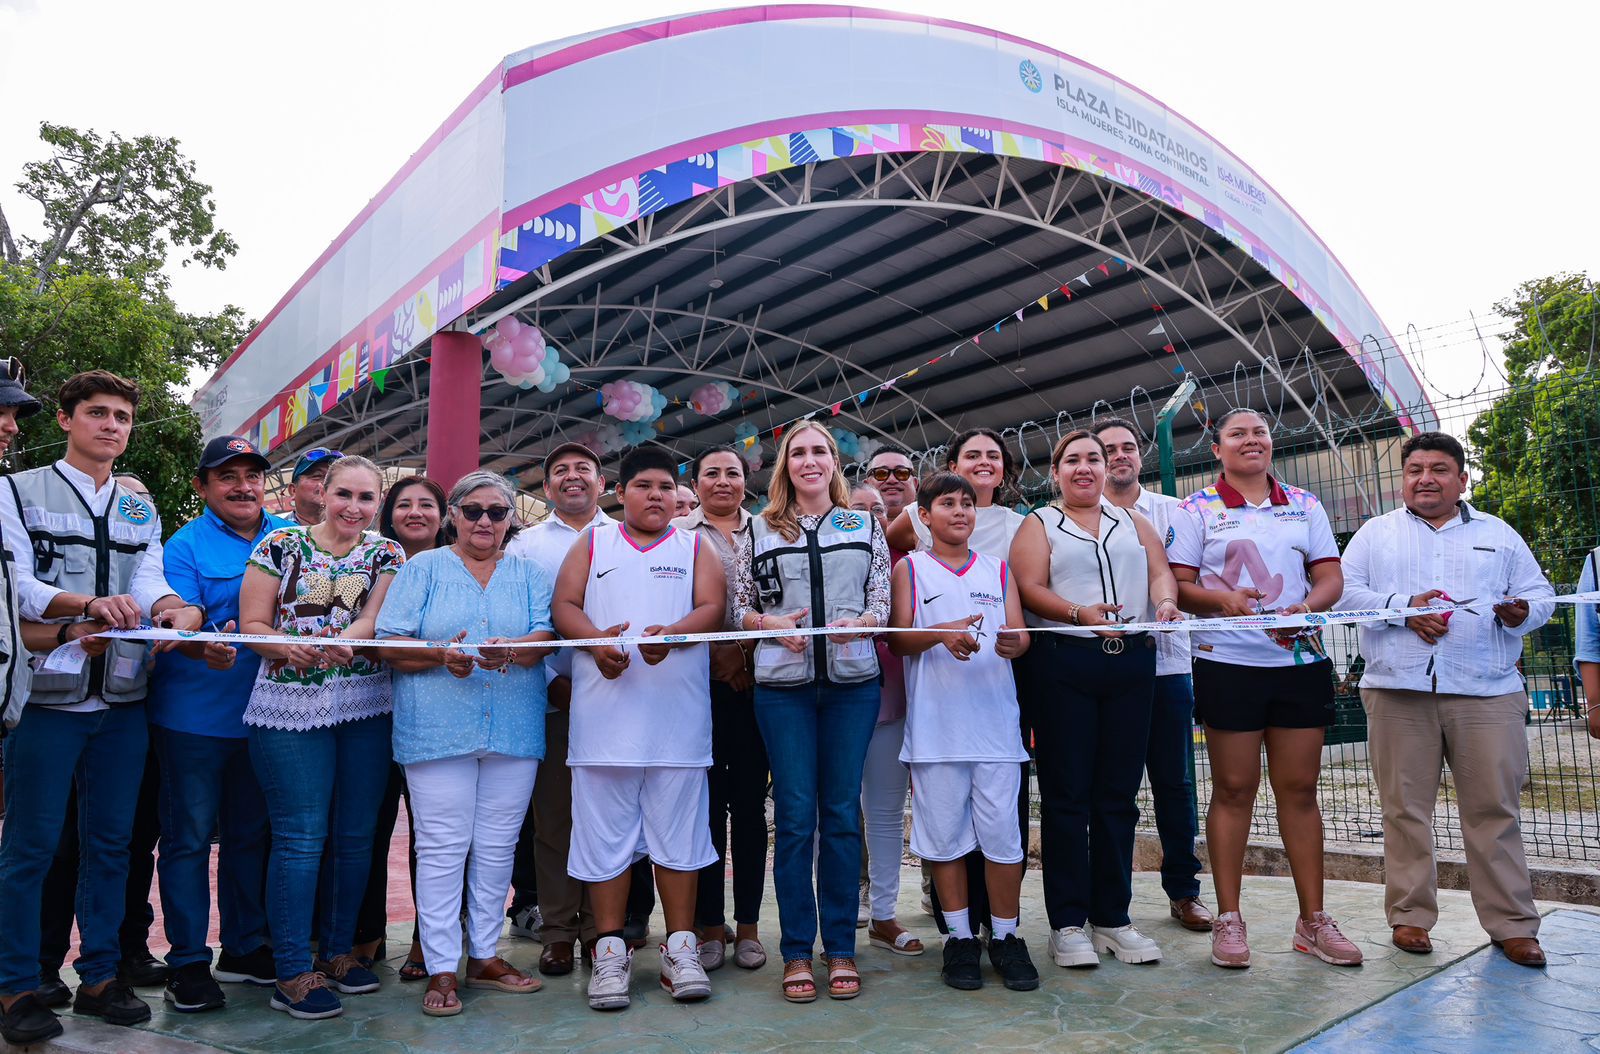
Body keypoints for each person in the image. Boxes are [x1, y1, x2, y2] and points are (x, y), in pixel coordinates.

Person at [0, 370, 204, 1044]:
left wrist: (172, 610)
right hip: (48, 696)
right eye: (97, 412)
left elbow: (149, 581)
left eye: (121, 416)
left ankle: (99, 976)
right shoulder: (15, 491)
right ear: (64, 420)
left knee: (112, 846)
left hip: (122, 698)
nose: (111, 425)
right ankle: (15, 986)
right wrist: (84, 605)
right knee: (29, 846)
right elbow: (18, 585)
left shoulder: (141, 508)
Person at [1345, 431, 1552, 968]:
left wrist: (1520, 613)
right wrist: (1401, 609)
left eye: (1439, 469)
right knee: (1404, 810)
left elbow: (1542, 596)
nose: (1425, 479)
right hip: (1398, 691)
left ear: (1462, 479)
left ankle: (1513, 925)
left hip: (1485, 692)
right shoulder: (1375, 535)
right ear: (1403, 479)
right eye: (1414, 469)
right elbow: (1343, 593)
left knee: (1493, 810)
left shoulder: (1499, 535)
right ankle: (1410, 918)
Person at [1166, 408, 1358, 969]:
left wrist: (1305, 608)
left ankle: (1313, 921)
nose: (1251, 441)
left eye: (1260, 433)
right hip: (1226, 661)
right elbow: (1179, 584)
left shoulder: (1305, 504)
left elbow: (1331, 578)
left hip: (1300, 661)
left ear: (1271, 443)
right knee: (1233, 788)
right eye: (1237, 434)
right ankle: (1229, 918)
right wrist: (1221, 601)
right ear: (1217, 448)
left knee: (1299, 790)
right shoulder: (1196, 508)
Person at [551, 446, 725, 1011]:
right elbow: (565, 606)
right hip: (603, 726)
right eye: (644, 485)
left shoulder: (696, 544)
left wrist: (669, 635)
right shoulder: (593, 542)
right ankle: (609, 952)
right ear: (619, 492)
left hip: (678, 725)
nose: (657, 495)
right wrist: (599, 642)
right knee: (606, 842)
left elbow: (712, 608)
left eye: (666, 487)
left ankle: (680, 950)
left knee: (680, 840)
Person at [378, 470, 556, 1015]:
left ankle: (483, 956)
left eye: (497, 512)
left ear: (511, 520)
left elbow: (547, 633)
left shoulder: (529, 573)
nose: (484, 521)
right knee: (441, 848)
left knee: (499, 847)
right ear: (453, 514)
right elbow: (388, 644)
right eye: (473, 510)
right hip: (436, 729)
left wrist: (517, 648)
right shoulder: (422, 569)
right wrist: (440, 655)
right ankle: (439, 966)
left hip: (513, 727)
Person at [1010, 429, 1181, 970]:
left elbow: (1160, 573)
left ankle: (1113, 917)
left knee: (1118, 795)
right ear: (1055, 471)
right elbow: (1029, 586)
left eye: (1094, 459)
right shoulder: (1039, 523)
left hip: (1131, 660)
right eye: (1072, 461)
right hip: (1065, 661)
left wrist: (1166, 603)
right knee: (1066, 795)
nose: (1084, 468)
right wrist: (1076, 613)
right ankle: (1067, 922)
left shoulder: (1133, 521)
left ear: (1108, 468)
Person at [239, 454, 401, 1019]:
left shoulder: (387, 552)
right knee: (301, 837)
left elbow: (375, 618)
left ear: (377, 503)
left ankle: (336, 952)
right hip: (289, 703)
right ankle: (291, 970)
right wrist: (287, 647)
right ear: (322, 493)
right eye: (344, 495)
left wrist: (345, 642)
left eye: (366, 498)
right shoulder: (277, 546)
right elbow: (252, 626)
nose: (354, 507)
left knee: (355, 836)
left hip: (364, 702)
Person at [732, 422, 889, 1003]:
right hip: (782, 689)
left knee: (843, 815)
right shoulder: (758, 528)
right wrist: (767, 626)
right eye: (798, 452)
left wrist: (865, 624)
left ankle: (841, 947)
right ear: (784, 466)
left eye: (819, 450)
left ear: (834, 462)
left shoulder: (864, 523)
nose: (810, 460)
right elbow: (739, 607)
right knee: (796, 818)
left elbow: (881, 598)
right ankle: (797, 950)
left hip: (853, 686)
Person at [148, 435, 287, 1013]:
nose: (243, 486)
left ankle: (245, 946)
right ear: (202, 487)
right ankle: (187, 961)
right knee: (186, 840)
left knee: (251, 838)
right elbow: (169, 622)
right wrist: (199, 647)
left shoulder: (289, 537)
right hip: (194, 721)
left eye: (252, 475)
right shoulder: (182, 547)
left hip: (269, 716)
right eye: (227, 476)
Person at [889, 472, 1037, 992]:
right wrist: (942, 635)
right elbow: (901, 640)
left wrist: (1015, 644)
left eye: (967, 504)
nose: (960, 512)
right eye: (947, 504)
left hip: (996, 729)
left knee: (1003, 840)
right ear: (923, 516)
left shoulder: (998, 570)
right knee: (946, 841)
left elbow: (1018, 635)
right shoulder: (910, 568)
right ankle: (958, 939)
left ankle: (1006, 936)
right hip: (937, 731)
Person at [1092, 417, 1212, 933]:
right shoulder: (1073, 518)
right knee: (1111, 787)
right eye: (1106, 451)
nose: (1119, 456)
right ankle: (1108, 902)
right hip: (1101, 667)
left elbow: (1186, 579)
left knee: (1174, 783)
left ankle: (1184, 891)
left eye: (1126, 447)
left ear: (1140, 455)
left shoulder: (1173, 512)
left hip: (1166, 666)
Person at [503, 442, 611, 976]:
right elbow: (519, 614)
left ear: (602, 483)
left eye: (583, 469)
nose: (573, 477)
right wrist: (550, 681)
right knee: (555, 821)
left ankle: (604, 931)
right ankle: (560, 931)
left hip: (619, 697)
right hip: (553, 699)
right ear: (545, 489)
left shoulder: (624, 537)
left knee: (610, 816)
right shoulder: (523, 545)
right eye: (560, 471)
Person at [673, 445, 769, 971]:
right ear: (697, 481)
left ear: (746, 479)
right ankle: (711, 926)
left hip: (760, 686)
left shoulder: (771, 530)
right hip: (699, 688)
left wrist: (746, 656)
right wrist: (717, 656)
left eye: (733, 472)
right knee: (705, 811)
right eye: (711, 473)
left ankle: (751, 927)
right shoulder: (680, 537)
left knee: (751, 811)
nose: (723, 481)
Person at [355, 475, 448, 981]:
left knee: (432, 837)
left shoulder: (460, 565)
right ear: (388, 515)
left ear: (442, 514)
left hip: (436, 718)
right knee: (368, 828)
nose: (416, 512)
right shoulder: (365, 562)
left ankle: (426, 939)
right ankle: (364, 934)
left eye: (427, 504)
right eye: (404, 504)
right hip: (369, 711)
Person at [849, 481, 922, 957]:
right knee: (830, 815)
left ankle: (884, 915)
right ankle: (832, 911)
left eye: (878, 509)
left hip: (891, 705)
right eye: (859, 508)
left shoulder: (906, 564)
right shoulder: (827, 557)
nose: (873, 515)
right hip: (835, 703)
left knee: (885, 815)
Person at [284, 447, 342, 525]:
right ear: (293, 490)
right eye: (317, 476)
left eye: (333, 478)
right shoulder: (274, 532)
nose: (327, 483)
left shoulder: (353, 533)